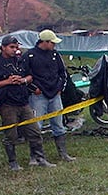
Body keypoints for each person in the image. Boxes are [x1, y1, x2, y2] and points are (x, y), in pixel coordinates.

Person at [0, 34, 55, 171]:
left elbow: (30, 76)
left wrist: (23, 80)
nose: (14, 50)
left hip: (23, 101)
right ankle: (13, 162)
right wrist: (7, 81)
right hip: (7, 104)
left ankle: (40, 158)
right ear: (3, 48)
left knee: (34, 131)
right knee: (11, 135)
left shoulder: (20, 61)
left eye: (16, 47)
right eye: (11, 47)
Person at [27, 29, 74, 162]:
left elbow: (63, 73)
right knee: (36, 126)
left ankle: (63, 154)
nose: (54, 45)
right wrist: (33, 89)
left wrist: (60, 88)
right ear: (45, 42)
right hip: (38, 96)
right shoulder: (30, 55)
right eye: (52, 43)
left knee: (58, 125)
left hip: (55, 94)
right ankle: (35, 156)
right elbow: (24, 76)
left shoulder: (55, 55)